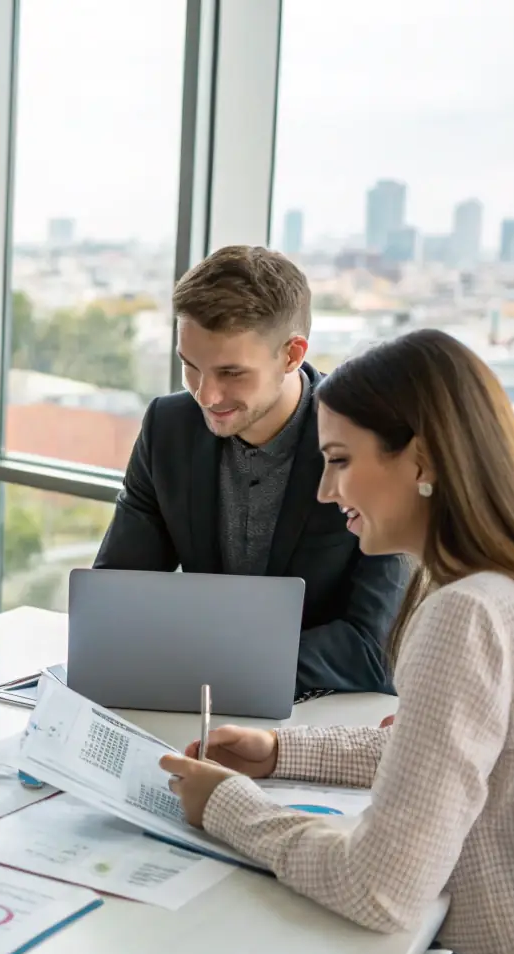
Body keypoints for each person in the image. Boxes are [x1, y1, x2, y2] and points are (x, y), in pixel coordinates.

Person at [160, 329, 514, 954]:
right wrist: (283, 754)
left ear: (419, 457)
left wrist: (228, 805)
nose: (326, 491)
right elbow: (472, 751)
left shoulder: (468, 612)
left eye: (337, 460)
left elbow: (379, 890)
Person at [94, 245, 408, 695]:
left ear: (291, 355)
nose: (205, 395)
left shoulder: (366, 443)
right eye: (190, 366)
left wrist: (206, 662)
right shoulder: (169, 427)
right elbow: (114, 599)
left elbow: (373, 649)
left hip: (326, 715)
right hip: (197, 700)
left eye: (231, 373)